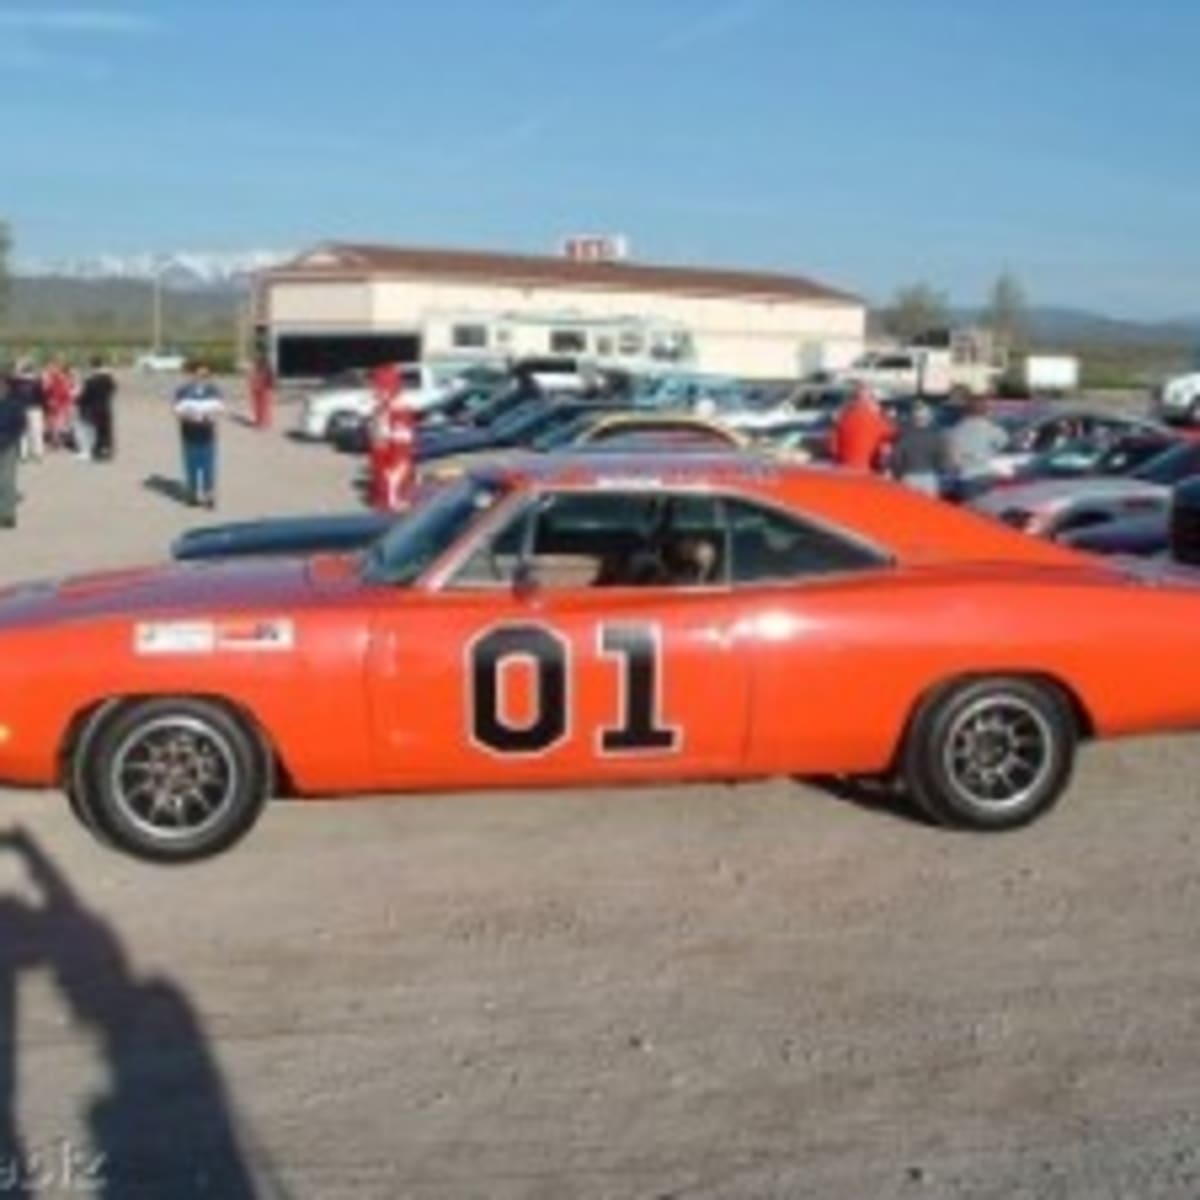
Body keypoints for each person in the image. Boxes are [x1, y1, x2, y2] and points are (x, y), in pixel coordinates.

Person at [173, 363, 226, 507]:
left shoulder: (213, 390)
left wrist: (211, 415)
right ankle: (192, 495)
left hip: (207, 434)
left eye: (205, 376)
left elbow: (220, 409)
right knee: (191, 466)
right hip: (189, 433)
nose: (201, 378)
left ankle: (209, 496)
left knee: (208, 467)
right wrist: (189, 416)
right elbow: (177, 411)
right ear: (192, 375)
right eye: (198, 375)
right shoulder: (182, 391)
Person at [368, 364, 417, 513]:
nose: (374, 392)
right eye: (375, 387)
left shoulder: (400, 410)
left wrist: (393, 494)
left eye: (378, 388)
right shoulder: (381, 409)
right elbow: (376, 439)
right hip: (383, 482)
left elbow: (402, 454)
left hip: (393, 497)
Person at [891, 401, 949, 496]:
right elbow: (942, 459)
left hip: (909, 476)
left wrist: (898, 474)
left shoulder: (905, 436)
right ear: (929, 418)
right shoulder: (936, 436)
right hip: (929, 477)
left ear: (913, 418)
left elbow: (896, 458)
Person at [945, 395, 1009, 482]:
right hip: (984, 474)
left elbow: (951, 460)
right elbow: (1004, 444)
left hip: (964, 477)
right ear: (985, 411)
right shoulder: (991, 428)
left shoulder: (953, 431)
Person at [830, 386, 893, 472]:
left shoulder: (843, 418)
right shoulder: (875, 419)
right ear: (871, 401)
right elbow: (890, 436)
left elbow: (833, 447)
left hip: (844, 468)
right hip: (866, 468)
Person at [76, 358, 118, 462]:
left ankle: (98, 452)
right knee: (106, 430)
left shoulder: (91, 380)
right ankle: (107, 451)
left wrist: (77, 401)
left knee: (96, 431)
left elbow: (85, 396)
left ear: (92, 366)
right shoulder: (109, 379)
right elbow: (113, 390)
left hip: (94, 408)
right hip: (106, 406)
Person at [0, 370, 27, 529]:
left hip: (8, 445)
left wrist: (10, 439)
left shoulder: (14, 404)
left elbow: (21, 425)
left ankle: (8, 515)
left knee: (7, 480)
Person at [11, 361, 46, 464]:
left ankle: (23, 455)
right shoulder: (37, 381)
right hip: (35, 409)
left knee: (22, 433)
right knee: (37, 432)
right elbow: (42, 397)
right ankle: (38, 454)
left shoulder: (15, 382)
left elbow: (13, 395)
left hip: (20, 409)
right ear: (32, 370)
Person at [42, 359, 76, 451]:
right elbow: (47, 389)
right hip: (56, 401)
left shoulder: (58, 377)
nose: (51, 369)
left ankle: (57, 440)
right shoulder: (54, 377)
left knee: (57, 422)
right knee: (54, 422)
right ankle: (56, 440)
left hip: (58, 401)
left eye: (53, 367)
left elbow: (64, 389)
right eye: (50, 367)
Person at [249, 357, 275, 430]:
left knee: (261, 407)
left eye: (257, 362)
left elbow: (255, 380)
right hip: (262, 390)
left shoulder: (263, 370)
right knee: (263, 407)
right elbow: (253, 380)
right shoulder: (264, 370)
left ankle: (262, 422)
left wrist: (254, 386)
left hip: (263, 390)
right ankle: (264, 422)